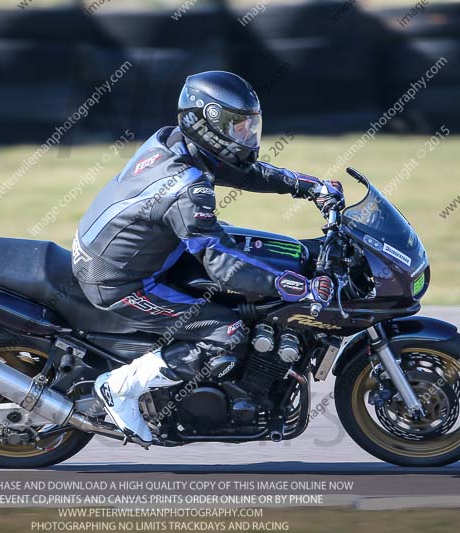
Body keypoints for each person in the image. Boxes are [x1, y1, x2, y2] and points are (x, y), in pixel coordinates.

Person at [72, 71, 344, 445]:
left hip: (144, 254)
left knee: (247, 252)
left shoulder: (173, 140)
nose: (247, 136)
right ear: (206, 122)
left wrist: (308, 186)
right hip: (121, 281)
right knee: (226, 330)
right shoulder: (187, 187)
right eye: (237, 127)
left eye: (250, 126)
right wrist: (285, 283)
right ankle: (119, 388)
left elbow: (242, 171)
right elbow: (222, 264)